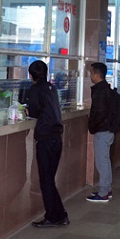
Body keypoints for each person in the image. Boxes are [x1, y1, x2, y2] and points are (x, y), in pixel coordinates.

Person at [27, 60, 70, 228]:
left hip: (45, 139)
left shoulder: (36, 89)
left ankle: (53, 217)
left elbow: (35, 112)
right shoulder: (52, 88)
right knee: (49, 180)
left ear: (31, 75)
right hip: (56, 138)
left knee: (46, 180)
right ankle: (60, 215)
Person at [86, 62, 115, 202]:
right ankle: (107, 189)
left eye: (91, 73)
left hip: (102, 130)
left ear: (97, 74)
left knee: (102, 162)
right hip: (107, 129)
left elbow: (99, 112)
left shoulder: (100, 91)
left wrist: (91, 126)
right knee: (105, 161)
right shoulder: (106, 88)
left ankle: (103, 192)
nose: (90, 75)